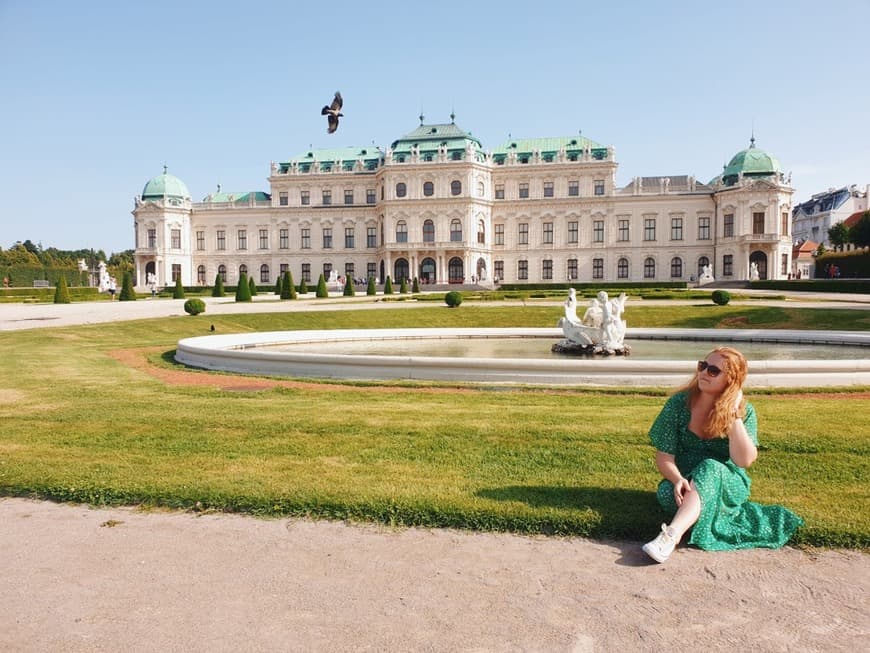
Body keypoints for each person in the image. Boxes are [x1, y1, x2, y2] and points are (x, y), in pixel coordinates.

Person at [642, 346, 803, 563]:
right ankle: (702, 512)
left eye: (713, 371)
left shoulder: (745, 412)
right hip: (686, 480)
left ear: (731, 380)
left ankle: (671, 536)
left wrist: (733, 415)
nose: (703, 372)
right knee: (665, 494)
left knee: (710, 466)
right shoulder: (679, 404)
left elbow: (744, 460)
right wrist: (677, 479)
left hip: (727, 480)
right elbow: (664, 457)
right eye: (703, 366)